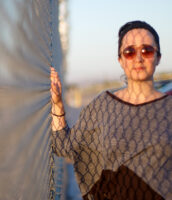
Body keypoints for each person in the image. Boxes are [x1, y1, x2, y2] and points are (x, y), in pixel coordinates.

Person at [50, 20, 172, 200]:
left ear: (158, 57)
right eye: (130, 52)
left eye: (147, 50)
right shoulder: (103, 106)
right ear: (120, 60)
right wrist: (58, 104)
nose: (138, 58)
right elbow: (64, 145)